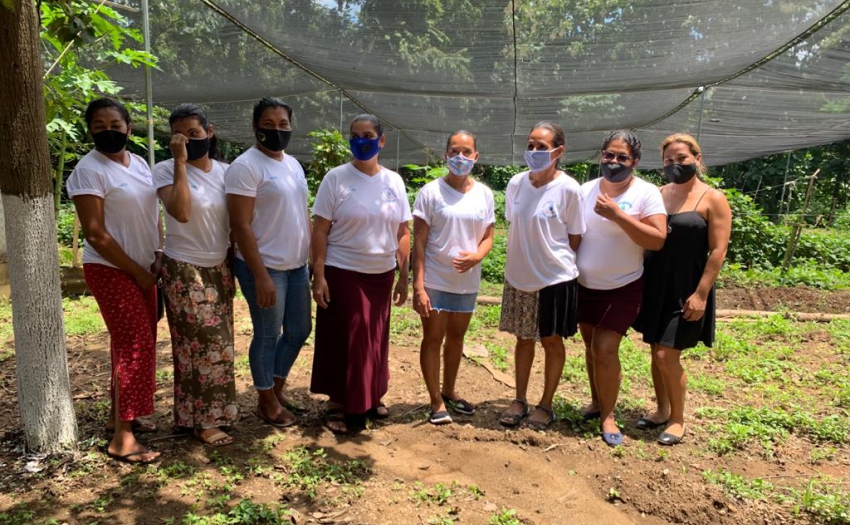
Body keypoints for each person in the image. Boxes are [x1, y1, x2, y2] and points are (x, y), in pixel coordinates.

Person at [67, 98, 161, 463]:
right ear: (90, 130)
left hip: (144, 268)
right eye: (99, 125)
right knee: (135, 345)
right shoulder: (89, 171)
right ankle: (123, 438)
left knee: (132, 343)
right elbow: (95, 234)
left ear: (128, 127)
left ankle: (118, 417)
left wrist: (157, 254)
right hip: (110, 270)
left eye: (115, 124)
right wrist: (136, 272)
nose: (109, 130)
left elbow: (152, 214)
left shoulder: (138, 163)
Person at [311, 114, 412, 434]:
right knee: (351, 336)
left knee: (374, 337)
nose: (361, 141)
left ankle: (371, 394)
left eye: (368, 135)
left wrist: (404, 274)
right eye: (355, 135)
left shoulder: (393, 181)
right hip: (343, 269)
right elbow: (320, 229)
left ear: (381, 140)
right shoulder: (336, 178)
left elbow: (402, 231)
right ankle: (343, 404)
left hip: (380, 273)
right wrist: (319, 273)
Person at [633, 133, 732, 445]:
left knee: (666, 354)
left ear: (697, 160)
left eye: (682, 159)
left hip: (688, 284)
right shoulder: (658, 194)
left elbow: (718, 250)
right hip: (655, 280)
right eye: (668, 161)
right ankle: (661, 410)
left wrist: (701, 293)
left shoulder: (713, 198)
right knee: (654, 348)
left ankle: (678, 419)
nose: (675, 165)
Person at [575, 130, 667, 446]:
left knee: (604, 349)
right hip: (584, 284)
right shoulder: (585, 190)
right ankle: (596, 400)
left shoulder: (646, 193)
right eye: (609, 155)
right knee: (590, 346)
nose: (614, 162)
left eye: (622, 157)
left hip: (623, 285)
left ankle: (608, 415)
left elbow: (656, 238)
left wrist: (618, 215)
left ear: (635, 161)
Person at [225, 98, 312, 428]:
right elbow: (240, 225)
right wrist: (260, 274)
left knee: (299, 329)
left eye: (283, 125)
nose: (276, 130)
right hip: (264, 266)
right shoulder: (246, 167)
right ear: (255, 128)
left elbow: (301, 211)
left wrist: (312, 258)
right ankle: (266, 401)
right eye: (269, 124)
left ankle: (274, 389)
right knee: (266, 333)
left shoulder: (293, 165)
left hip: (296, 266)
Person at [154, 104, 237, 446]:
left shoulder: (228, 172)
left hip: (220, 265)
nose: (188, 140)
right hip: (183, 267)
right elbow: (182, 212)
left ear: (210, 131)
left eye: (194, 133)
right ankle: (203, 421)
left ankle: (197, 415)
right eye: (180, 135)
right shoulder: (164, 171)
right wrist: (179, 162)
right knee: (201, 344)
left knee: (218, 345)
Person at [498, 121, 586, 430]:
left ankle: (546, 405)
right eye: (530, 145)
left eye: (542, 147)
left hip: (554, 278)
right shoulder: (516, 183)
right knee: (523, 340)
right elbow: (516, 223)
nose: (534, 152)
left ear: (558, 151)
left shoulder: (569, 189)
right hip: (519, 275)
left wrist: (550, 259)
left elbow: (575, 236)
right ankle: (519, 399)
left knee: (551, 341)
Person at [412, 131, 496, 425]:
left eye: (467, 152)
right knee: (433, 338)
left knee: (457, 338)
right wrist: (418, 286)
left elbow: (488, 237)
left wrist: (477, 256)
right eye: (454, 151)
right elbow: (419, 242)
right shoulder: (430, 192)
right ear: (445, 154)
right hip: (435, 280)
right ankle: (436, 400)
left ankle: (449, 389)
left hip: (467, 283)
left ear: (476, 156)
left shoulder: (484, 194)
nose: (460, 157)